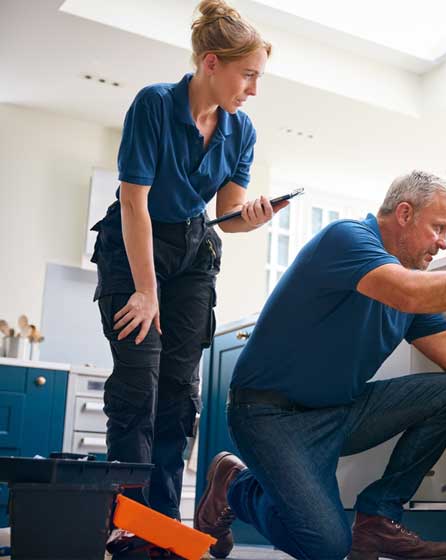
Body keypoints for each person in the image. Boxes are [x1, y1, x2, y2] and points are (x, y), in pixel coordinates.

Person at [194, 170, 446, 560]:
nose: (443, 242)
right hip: (268, 414)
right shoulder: (347, 238)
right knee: (327, 547)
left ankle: (378, 518)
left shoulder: (412, 281)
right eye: (438, 227)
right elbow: (406, 292)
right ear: (404, 213)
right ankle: (236, 484)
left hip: (338, 413)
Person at [90, 0, 281, 554]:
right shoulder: (154, 104)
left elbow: (228, 211)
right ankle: (127, 523)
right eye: (248, 75)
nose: (253, 89)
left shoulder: (241, 130)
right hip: (135, 251)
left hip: (195, 254)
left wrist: (253, 218)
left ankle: (163, 525)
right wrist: (145, 291)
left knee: (178, 395)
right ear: (213, 63)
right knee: (137, 386)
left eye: (258, 77)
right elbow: (134, 204)